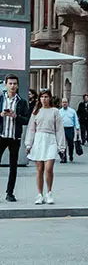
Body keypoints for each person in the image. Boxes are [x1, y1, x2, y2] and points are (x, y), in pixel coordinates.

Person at [25, 89, 66, 204]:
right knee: (39, 169)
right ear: (39, 99)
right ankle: (39, 194)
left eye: (46, 97)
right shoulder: (36, 111)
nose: (44, 99)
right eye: (42, 97)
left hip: (50, 140)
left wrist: (61, 146)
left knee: (49, 168)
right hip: (39, 140)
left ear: (50, 98)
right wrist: (29, 144)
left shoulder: (55, 111)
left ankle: (49, 192)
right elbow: (31, 129)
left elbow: (59, 129)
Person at [0, 73, 30, 202]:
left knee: (13, 167)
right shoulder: (0, 99)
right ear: (5, 85)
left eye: (15, 84)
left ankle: (10, 193)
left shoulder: (22, 102)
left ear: (17, 86)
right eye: (10, 83)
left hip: (14, 138)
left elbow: (27, 119)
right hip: (1, 136)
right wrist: (1, 115)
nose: (12, 86)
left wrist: (16, 116)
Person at [59, 97, 80, 163]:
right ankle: (63, 157)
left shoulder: (72, 111)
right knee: (62, 144)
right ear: (61, 103)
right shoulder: (59, 112)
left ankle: (71, 155)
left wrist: (77, 128)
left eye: (65, 102)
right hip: (62, 129)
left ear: (68, 103)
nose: (64, 103)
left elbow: (76, 120)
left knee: (70, 144)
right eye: (63, 102)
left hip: (70, 129)